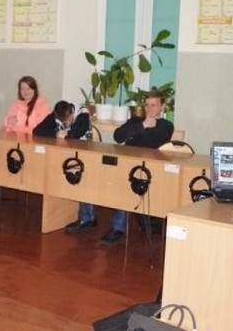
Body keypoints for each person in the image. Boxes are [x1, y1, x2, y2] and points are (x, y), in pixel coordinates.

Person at [66, 91, 173, 246]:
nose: (149, 109)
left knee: (123, 185)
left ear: (162, 107)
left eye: (153, 105)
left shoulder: (166, 125)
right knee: (89, 171)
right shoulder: (136, 120)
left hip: (146, 169)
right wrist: (142, 125)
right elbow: (118, 136)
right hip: (125, 161)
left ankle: (117, 228)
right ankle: (86, 218)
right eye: (147, 105)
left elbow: (153, 142)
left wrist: (138, 131)